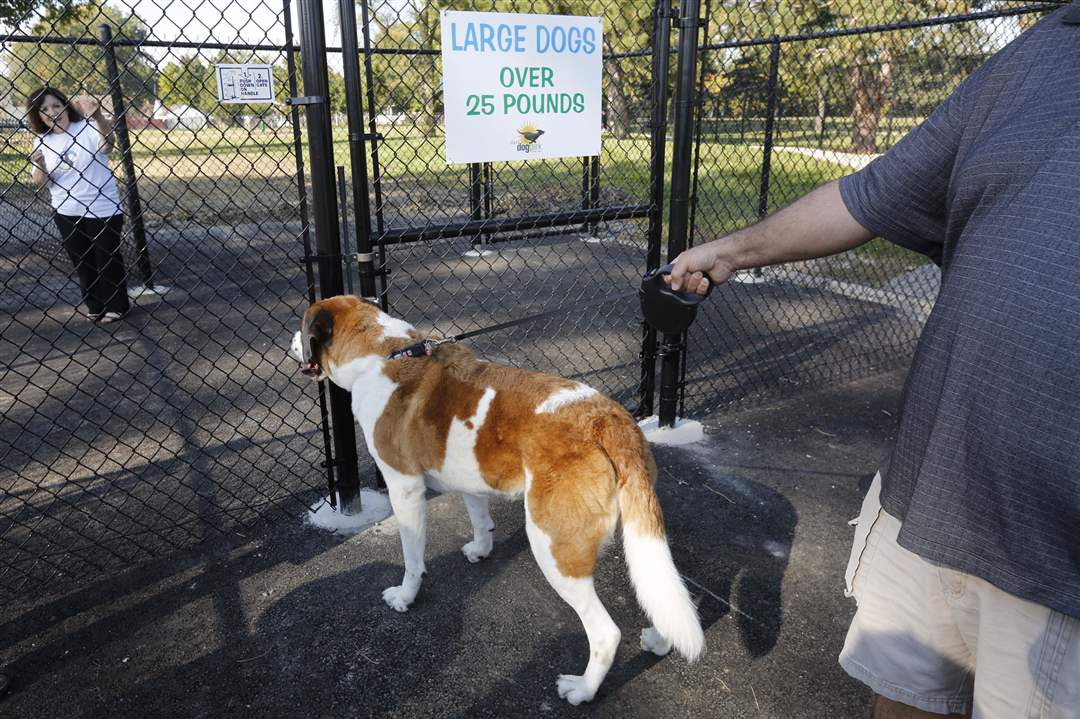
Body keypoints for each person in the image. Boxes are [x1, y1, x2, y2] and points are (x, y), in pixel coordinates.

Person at [669, 3, 1079, 718]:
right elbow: (872, 193)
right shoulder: (1041, 51)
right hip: (935, 501)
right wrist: (729, 250)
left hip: (1059, 568)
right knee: (900, 700)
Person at [28, 86, 130, 323]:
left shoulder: (86, 128)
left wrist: (96, 116)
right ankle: (95, 304)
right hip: (66, 211)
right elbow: (41, 182)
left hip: (102, 208)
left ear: (66, 106)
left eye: (56, 105)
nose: (52, 112)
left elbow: (107, 144)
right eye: (44, 109)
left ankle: (118, 305)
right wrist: (41, 165)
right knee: (83, 261)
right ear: (38, 116)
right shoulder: (42, 140)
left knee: (106, 258)